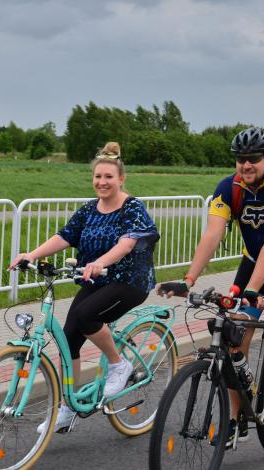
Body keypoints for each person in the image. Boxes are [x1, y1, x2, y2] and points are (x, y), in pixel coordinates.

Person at [157, 127, 264, 448]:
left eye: (253, 159)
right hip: (253, 260)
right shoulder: (228, 188)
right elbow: (212, 234)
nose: (246, 165)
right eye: (241, 159)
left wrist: (252, 292)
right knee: (232, 334)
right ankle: (234, 418)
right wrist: (188, 280)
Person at [9, 142, 160, 433]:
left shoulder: (132, 208)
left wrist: (100, 262)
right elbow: (65, 236)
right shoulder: (90, 209)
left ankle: (118, 364)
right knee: (69, 341)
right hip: (96, 280)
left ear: (121, 178)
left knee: (87, 315)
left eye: (108, 177)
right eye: (97, 176)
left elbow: (127, 244)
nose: (102, 182)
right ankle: (67, 407)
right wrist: (32, 254)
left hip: (130, 281)